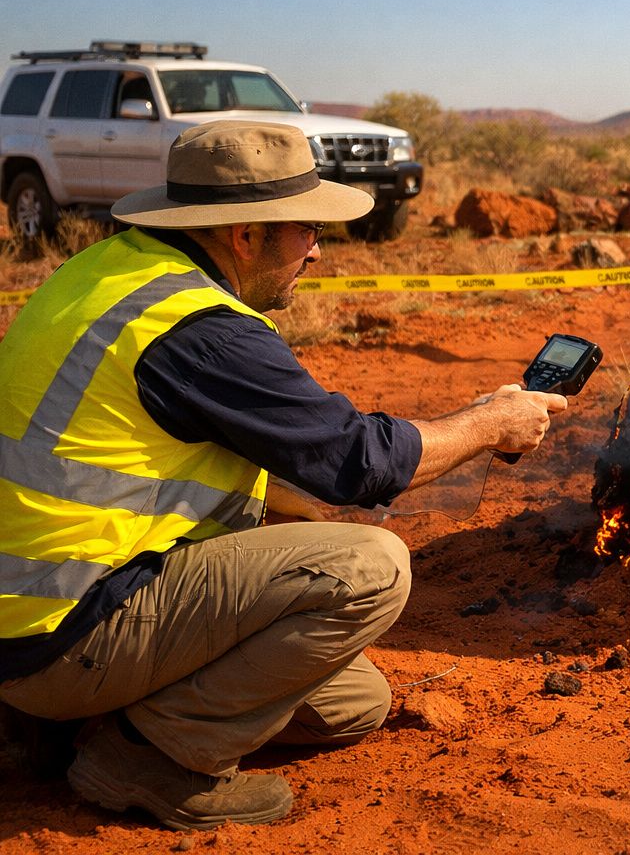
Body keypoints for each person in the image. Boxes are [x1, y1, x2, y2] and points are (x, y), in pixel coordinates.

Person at [0, 120, 569, 830]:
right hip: (66, 629)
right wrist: (488, 425)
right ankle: (151, 759)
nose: (318, 250)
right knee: (373, 569)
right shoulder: (196, 328)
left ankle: (61, 725)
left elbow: (169, 458)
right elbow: (354, 460)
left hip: (34, 609)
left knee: (355, 703)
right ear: (245, 236)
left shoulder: (112, 272)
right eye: (306, 230)